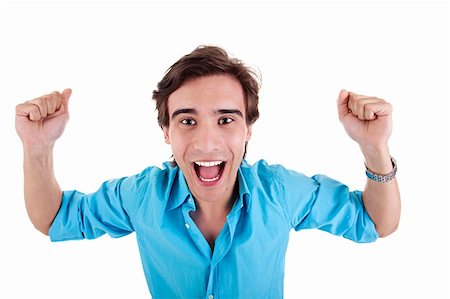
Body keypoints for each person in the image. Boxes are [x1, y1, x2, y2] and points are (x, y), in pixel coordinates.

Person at [15, 45, 401, 298]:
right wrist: (37, 147)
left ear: (248, 128)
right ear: (165, 132)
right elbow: (54, 218)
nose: (206, 142)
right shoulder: (143, 196)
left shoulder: (280, 191)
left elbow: (374, 221)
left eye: (225, 119)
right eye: (187, 121)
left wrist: (374, 147)